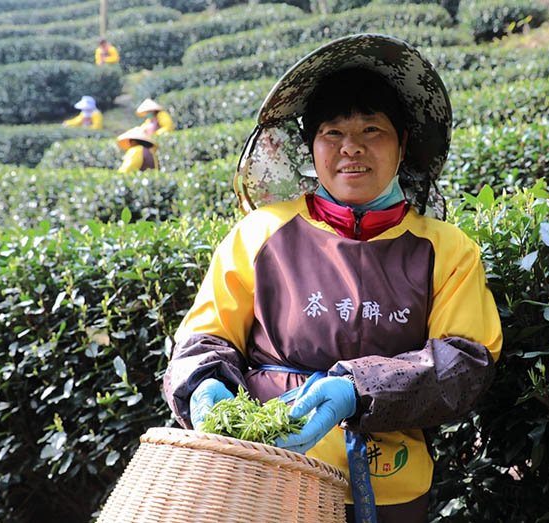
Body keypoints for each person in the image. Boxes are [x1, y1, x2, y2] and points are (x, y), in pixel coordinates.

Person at [163, 34, 502, 523]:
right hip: (268, 474)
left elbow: (465, 362)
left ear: (403, 144)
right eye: (333, 132)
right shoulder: (259, 234)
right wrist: (204, 388)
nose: (352, 149)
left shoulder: (447, 249)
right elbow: (204, 338)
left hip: (391, 486)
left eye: (372, 130)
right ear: (311, 145)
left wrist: (355, 389)